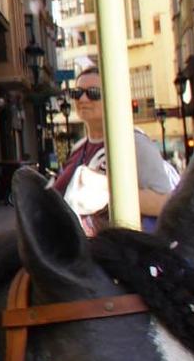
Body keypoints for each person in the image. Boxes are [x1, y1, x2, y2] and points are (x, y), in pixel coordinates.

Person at [51, 64, 178, 234]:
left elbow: (164, 203)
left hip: (114, 252)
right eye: (77, 93)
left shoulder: (134, 144)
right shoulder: (78, 149)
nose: (83, 99)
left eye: (93, 93)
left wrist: (108, 190)